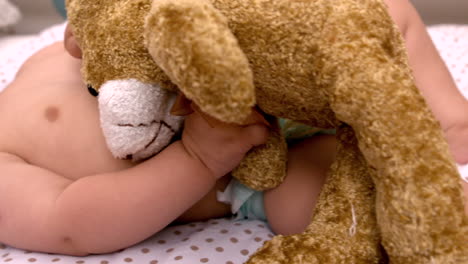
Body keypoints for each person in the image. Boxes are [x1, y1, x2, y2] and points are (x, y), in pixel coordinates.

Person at [0, 0, 467, 257]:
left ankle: (450, 119)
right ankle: (440, 201)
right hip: (249, 168)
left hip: (259, 62)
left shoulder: (34, 64)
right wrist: (197, 161)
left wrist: (104, 19)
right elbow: (69, 224)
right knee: (328, 200)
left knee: (379, 12)